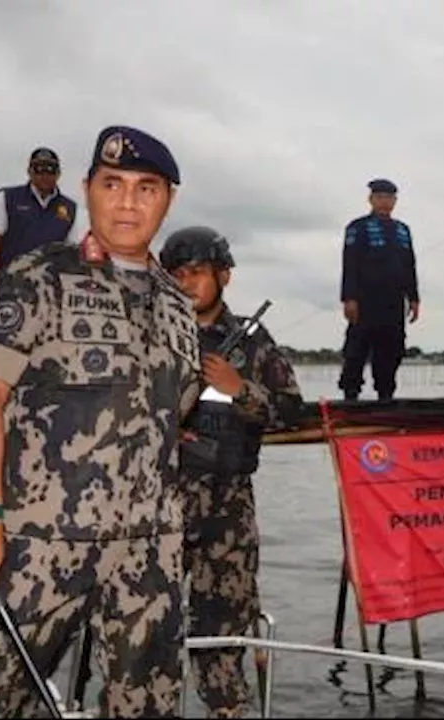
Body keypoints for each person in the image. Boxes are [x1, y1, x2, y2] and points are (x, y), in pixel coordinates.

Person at [0, 125, 202, 718]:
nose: (127, 202)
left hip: (151, 549)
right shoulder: (37, 277)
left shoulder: (177, 303)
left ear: (168, 199)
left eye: (146, 188)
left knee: (148, 706)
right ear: (87, 189)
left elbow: (175, 410)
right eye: (112, 184)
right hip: (40, 543)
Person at [160, 226, 303, 718]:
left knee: (222, 633)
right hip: (159, 505)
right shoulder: (152, 336)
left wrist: (239, 387)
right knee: (145, 629)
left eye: (196, 273)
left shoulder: (254, 342)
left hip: (228, 508)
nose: (185, 284)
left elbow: (291, 410)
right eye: (176, 275)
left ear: (223, 276)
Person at [337, 178, 420, 402]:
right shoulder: (358, 227)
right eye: (380, 197)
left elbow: (410, 265)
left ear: (395, 201)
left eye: (389, 198)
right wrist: (349, 298)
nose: (385, 202)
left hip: (393, 301)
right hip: (365, 300)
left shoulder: (403, 230)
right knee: (356, 350)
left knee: (391, 349)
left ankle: (386, 395)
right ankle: (350, 395)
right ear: (371, 199)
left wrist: (414, 298)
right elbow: (350, 263)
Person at [0, 147, 81, 282]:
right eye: (38, 169)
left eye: (50, 170)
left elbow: (72, 251)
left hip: (49, 287)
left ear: (59, 174)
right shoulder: (8, 198)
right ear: (29, 172)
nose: (45, 175)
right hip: (9, 282)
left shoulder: (70, 208)